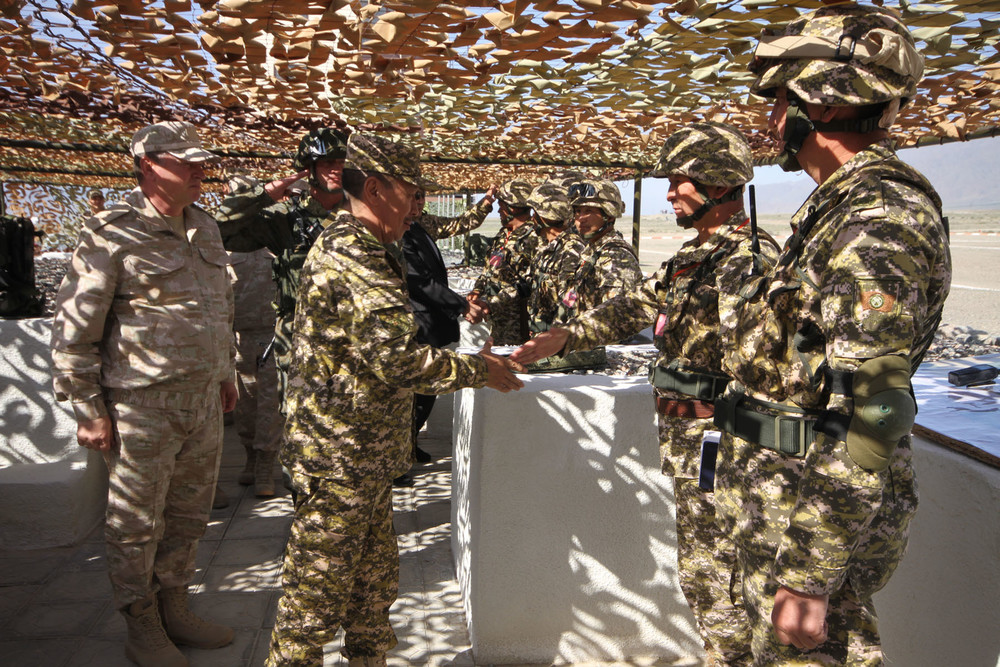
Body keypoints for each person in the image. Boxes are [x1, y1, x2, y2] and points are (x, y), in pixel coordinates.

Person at [711, 6, 950, 664]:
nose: (771, 120)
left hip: (806, 527)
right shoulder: (840, 207)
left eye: (780, 101)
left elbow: (873, 406)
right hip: (779, 508)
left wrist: (807, 575)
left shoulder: (878, 219)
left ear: (823, 103)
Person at [512, 122, 778, 666]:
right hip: (692, 443)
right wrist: (564, 337)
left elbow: (759, 368)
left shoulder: (746, 260)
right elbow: (636, 303)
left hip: (726, 444)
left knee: (731, 579)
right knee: (705, 575)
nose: (669, 193)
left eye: (680, 181)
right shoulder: (694, 255)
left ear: (719, 184)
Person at [266, 133, 524, 667]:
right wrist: (483, 371)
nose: (417, 207)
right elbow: (398, 359)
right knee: (312, 606)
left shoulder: (372, 244)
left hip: (364, 455)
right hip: (338, 458)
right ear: (377, 190)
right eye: (412, 193)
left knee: (372, 588)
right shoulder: (354, 252)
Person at [50, 121, 237, 667]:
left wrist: (225, 372)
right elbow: (76, 326)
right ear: (148, 165)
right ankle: (142, 623)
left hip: (201, 400)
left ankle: (175, 606)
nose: (200, 171)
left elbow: (219, 307)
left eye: (202, 162)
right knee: (136, 522)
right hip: (141, 405)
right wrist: (87, 408)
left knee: (189, 514)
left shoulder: (205, 226)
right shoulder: (112, 232)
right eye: (187, 162)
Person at [215, 127, 348, 404]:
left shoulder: (367, 215)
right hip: (302, 345)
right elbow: (220, 230)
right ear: (309, 169)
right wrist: (264, 194)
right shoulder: (287, 218)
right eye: (327, 163)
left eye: (342, 162)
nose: (336, 169)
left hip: (354, 342)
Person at [401, 185, 497, 474]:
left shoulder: (418, 225)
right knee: (414, 392)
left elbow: (460, 223)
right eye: (412, 196)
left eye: (421, 196)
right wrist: (461, 305)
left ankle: (408, 445)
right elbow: (419, 280)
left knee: (425, 391)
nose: (418, 203)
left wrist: (486, 204)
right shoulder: (397, 233)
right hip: (417, 322)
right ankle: (399, 459)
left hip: (430, 322)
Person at [466, 179, 544, 345]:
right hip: (498, 320)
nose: (498, 211)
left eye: (501, 206)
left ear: (514, 207)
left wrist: (490, 303)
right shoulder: (503, 234)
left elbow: (527, 284)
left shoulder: (534, 237)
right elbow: (490, 268)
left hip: (520, 321)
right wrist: (478, 290)